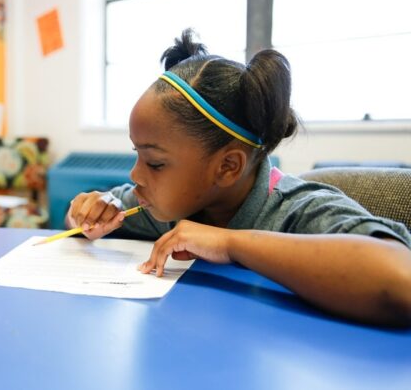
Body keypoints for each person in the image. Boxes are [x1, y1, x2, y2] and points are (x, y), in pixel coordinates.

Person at [66, 28, 411, 327]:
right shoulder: (167, 205)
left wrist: (229, 243)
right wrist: (88, 212)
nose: (135, 174)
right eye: (136, 154)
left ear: (228, 167)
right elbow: (87, 219)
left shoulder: (296, 210)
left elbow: (401, 278)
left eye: (154, 163)